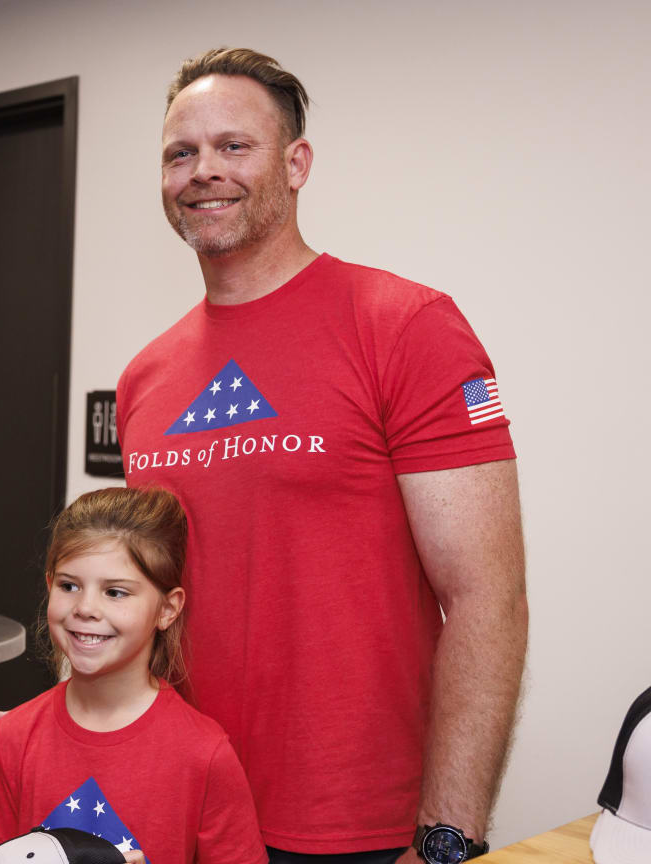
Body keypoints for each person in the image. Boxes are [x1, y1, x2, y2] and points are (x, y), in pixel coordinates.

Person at [112, 48, 526, 864]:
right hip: (185, 810)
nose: (204, 172)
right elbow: (145, 605)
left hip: (358, 828)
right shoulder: (144, 379)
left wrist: (448, 838)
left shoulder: (404, 326)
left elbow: (488, 597)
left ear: (296, 164)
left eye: (235, 146)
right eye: (180, 153)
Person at [0, 487, 264, 864]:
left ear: (167, 608)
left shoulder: (204, 755)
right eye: (69, 586)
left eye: (115, 592)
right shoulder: (13, 737)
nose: (86, 608)